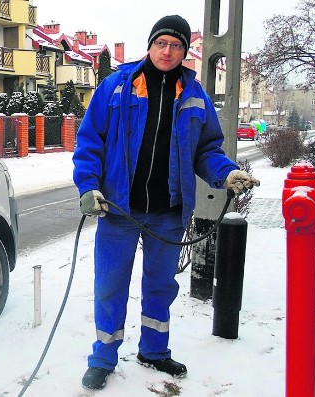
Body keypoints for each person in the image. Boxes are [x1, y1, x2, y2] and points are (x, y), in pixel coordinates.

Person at [72, 15, 260, 390]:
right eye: (162, 43)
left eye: (176, 46)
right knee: (110, 284)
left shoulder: (194, 96)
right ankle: (104, 356)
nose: (167, 51)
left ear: (184, 53)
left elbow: (207, 149)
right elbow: (90, 142)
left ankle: (154, 351)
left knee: (160, 286)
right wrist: (88, 187)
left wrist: (225, 174)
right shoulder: (116, 88)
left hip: (168, 212)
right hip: (119, 210)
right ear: (151, 45)